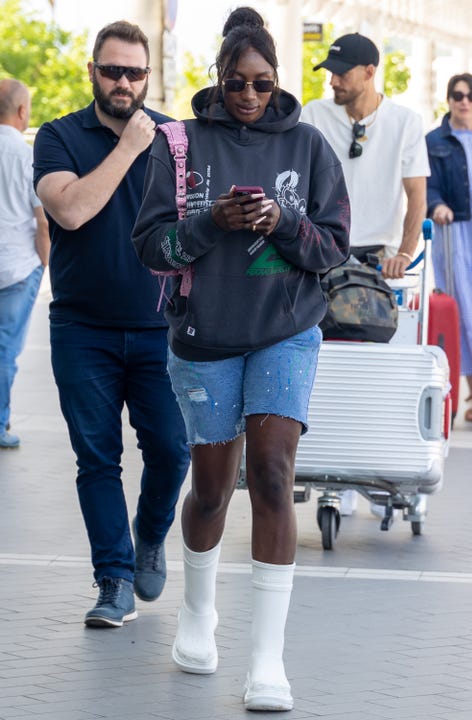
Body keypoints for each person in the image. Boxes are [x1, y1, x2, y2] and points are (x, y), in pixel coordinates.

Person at [132, 6, 349, 712]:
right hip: (204, 338)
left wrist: (280, 221)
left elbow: (332, 250)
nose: (250, 97)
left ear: (278, 81)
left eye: (261, 83)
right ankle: (198, 614)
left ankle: (266, 663)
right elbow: (151, 247)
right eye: (236, 84)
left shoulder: (310, 146)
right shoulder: (180, 144)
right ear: (218, 81)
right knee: (213, 489)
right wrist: (210, 222)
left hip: (286, 331)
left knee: (274, 475)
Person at [33, 21, 190, 628]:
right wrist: (127, 147)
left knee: (173, 452)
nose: (124, 82)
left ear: (148, 76)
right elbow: (69, 210)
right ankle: (114, 580)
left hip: (161, 327)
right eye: (112, 71)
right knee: (96, 459)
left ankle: (149, 534)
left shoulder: (176, 139)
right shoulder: (57, 136)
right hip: (83, 329)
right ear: (92, 72)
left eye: (134, 72)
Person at [302, 33, 430, 517]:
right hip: (323, 254)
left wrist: (403, 251)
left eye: (342, 72)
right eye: (330, 71)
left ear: (370, 72)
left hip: (378, 262)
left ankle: (381, 465)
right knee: (325, 370)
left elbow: (415, 194)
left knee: (383, 371)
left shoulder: (403, 122)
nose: (333, 80)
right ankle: (338, 470)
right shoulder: (314, 114)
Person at [426, 72, 472, 423]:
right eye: (457, 95)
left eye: (471, 95)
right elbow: (425, 184)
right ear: (448, 99)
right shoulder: (433, 140)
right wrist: (436, 205)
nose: (464, 101)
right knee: (467, 310)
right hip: (457, 233)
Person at [0, 79, 50, 449]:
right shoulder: (25, 153)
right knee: (4, 349)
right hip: (17, 266)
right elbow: (43, 219)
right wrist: (49, 265)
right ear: (21, 112)